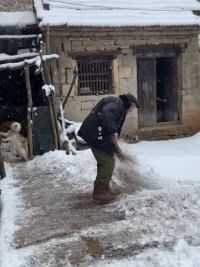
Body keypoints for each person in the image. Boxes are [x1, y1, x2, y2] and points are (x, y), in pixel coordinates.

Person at [78, 93, 139, 203]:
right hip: (95, 135)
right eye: (133, 108)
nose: (132, 111)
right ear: (129, 104)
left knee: (107, 159)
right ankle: (100, 192)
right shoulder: (117, 105)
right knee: (107, 162)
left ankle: (104, 189)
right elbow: (107, 114)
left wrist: (116, 148)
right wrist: (112, 132)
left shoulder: (117, 104)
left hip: (97, 134)